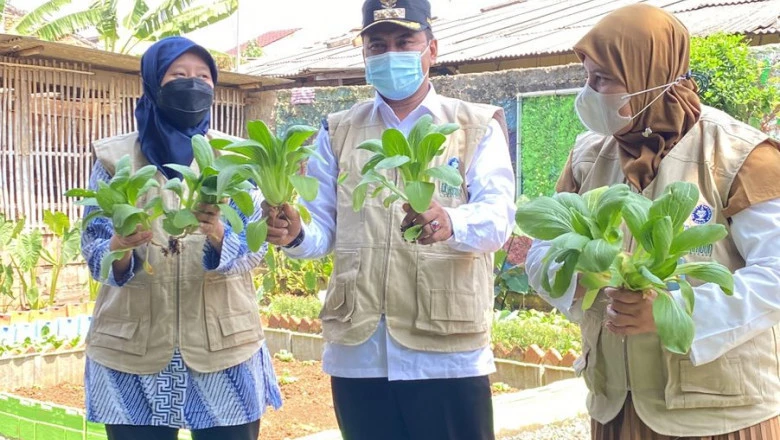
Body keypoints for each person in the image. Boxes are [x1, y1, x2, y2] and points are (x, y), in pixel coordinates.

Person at [262, 0, 516, 438]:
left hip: (445, 351)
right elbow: (322, 231)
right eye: (377, 45)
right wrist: (295, 232)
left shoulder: (474, 126)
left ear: (431, 49)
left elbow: (498, 220)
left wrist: (450, 222)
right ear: (364, 54)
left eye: (404, 41)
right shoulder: (337, 129)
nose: (390, 53)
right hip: (360, 353)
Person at [525, 4, 780, 440]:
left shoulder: (740, 155)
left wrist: (670, 311)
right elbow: (540, 247)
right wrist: (575, 281)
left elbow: (774, 275)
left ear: (650, 76)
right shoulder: (590, 154)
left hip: (719, 414)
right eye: (587, 78)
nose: (589, 93)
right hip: (616, 408)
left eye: (603, 79)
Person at [80, 36, 281, 440]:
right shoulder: (113, 157)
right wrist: (120, 246)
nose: (193, 85)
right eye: (178, 75)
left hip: (223, 349)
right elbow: (94, 250)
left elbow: (254, 249)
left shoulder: (235, 156)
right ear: (154, 83)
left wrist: (220, 234)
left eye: (203, 77)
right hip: (132, 351)